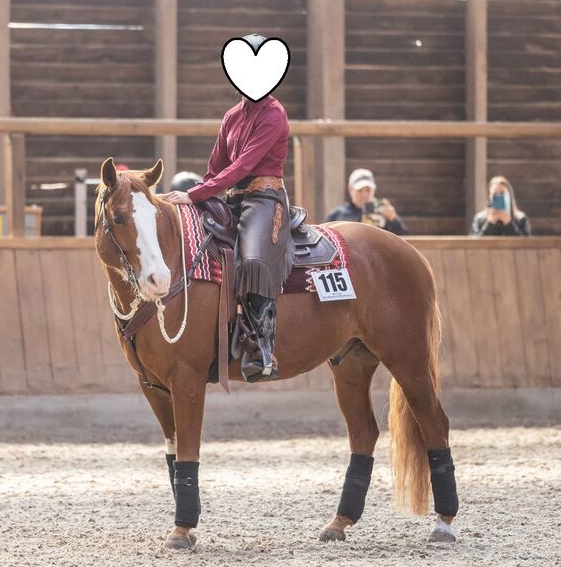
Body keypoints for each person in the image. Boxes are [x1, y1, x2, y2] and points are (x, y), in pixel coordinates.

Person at [164, 33, 294, 382]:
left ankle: (262, 347)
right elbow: (217, 164)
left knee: (251, 259)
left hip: (264, 199)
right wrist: (201, 197)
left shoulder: (274, 115)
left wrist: (197, 193)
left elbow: (243, 166)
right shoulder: (231, 116)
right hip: (231, 199)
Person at [326, 168, 409, 235]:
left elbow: (404, 240)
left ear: (374, 190)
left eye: (368, 190)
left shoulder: (384, 211)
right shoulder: (336, 215)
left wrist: (393, 219)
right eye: (360, 190)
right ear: (350, 189)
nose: (365, 194)